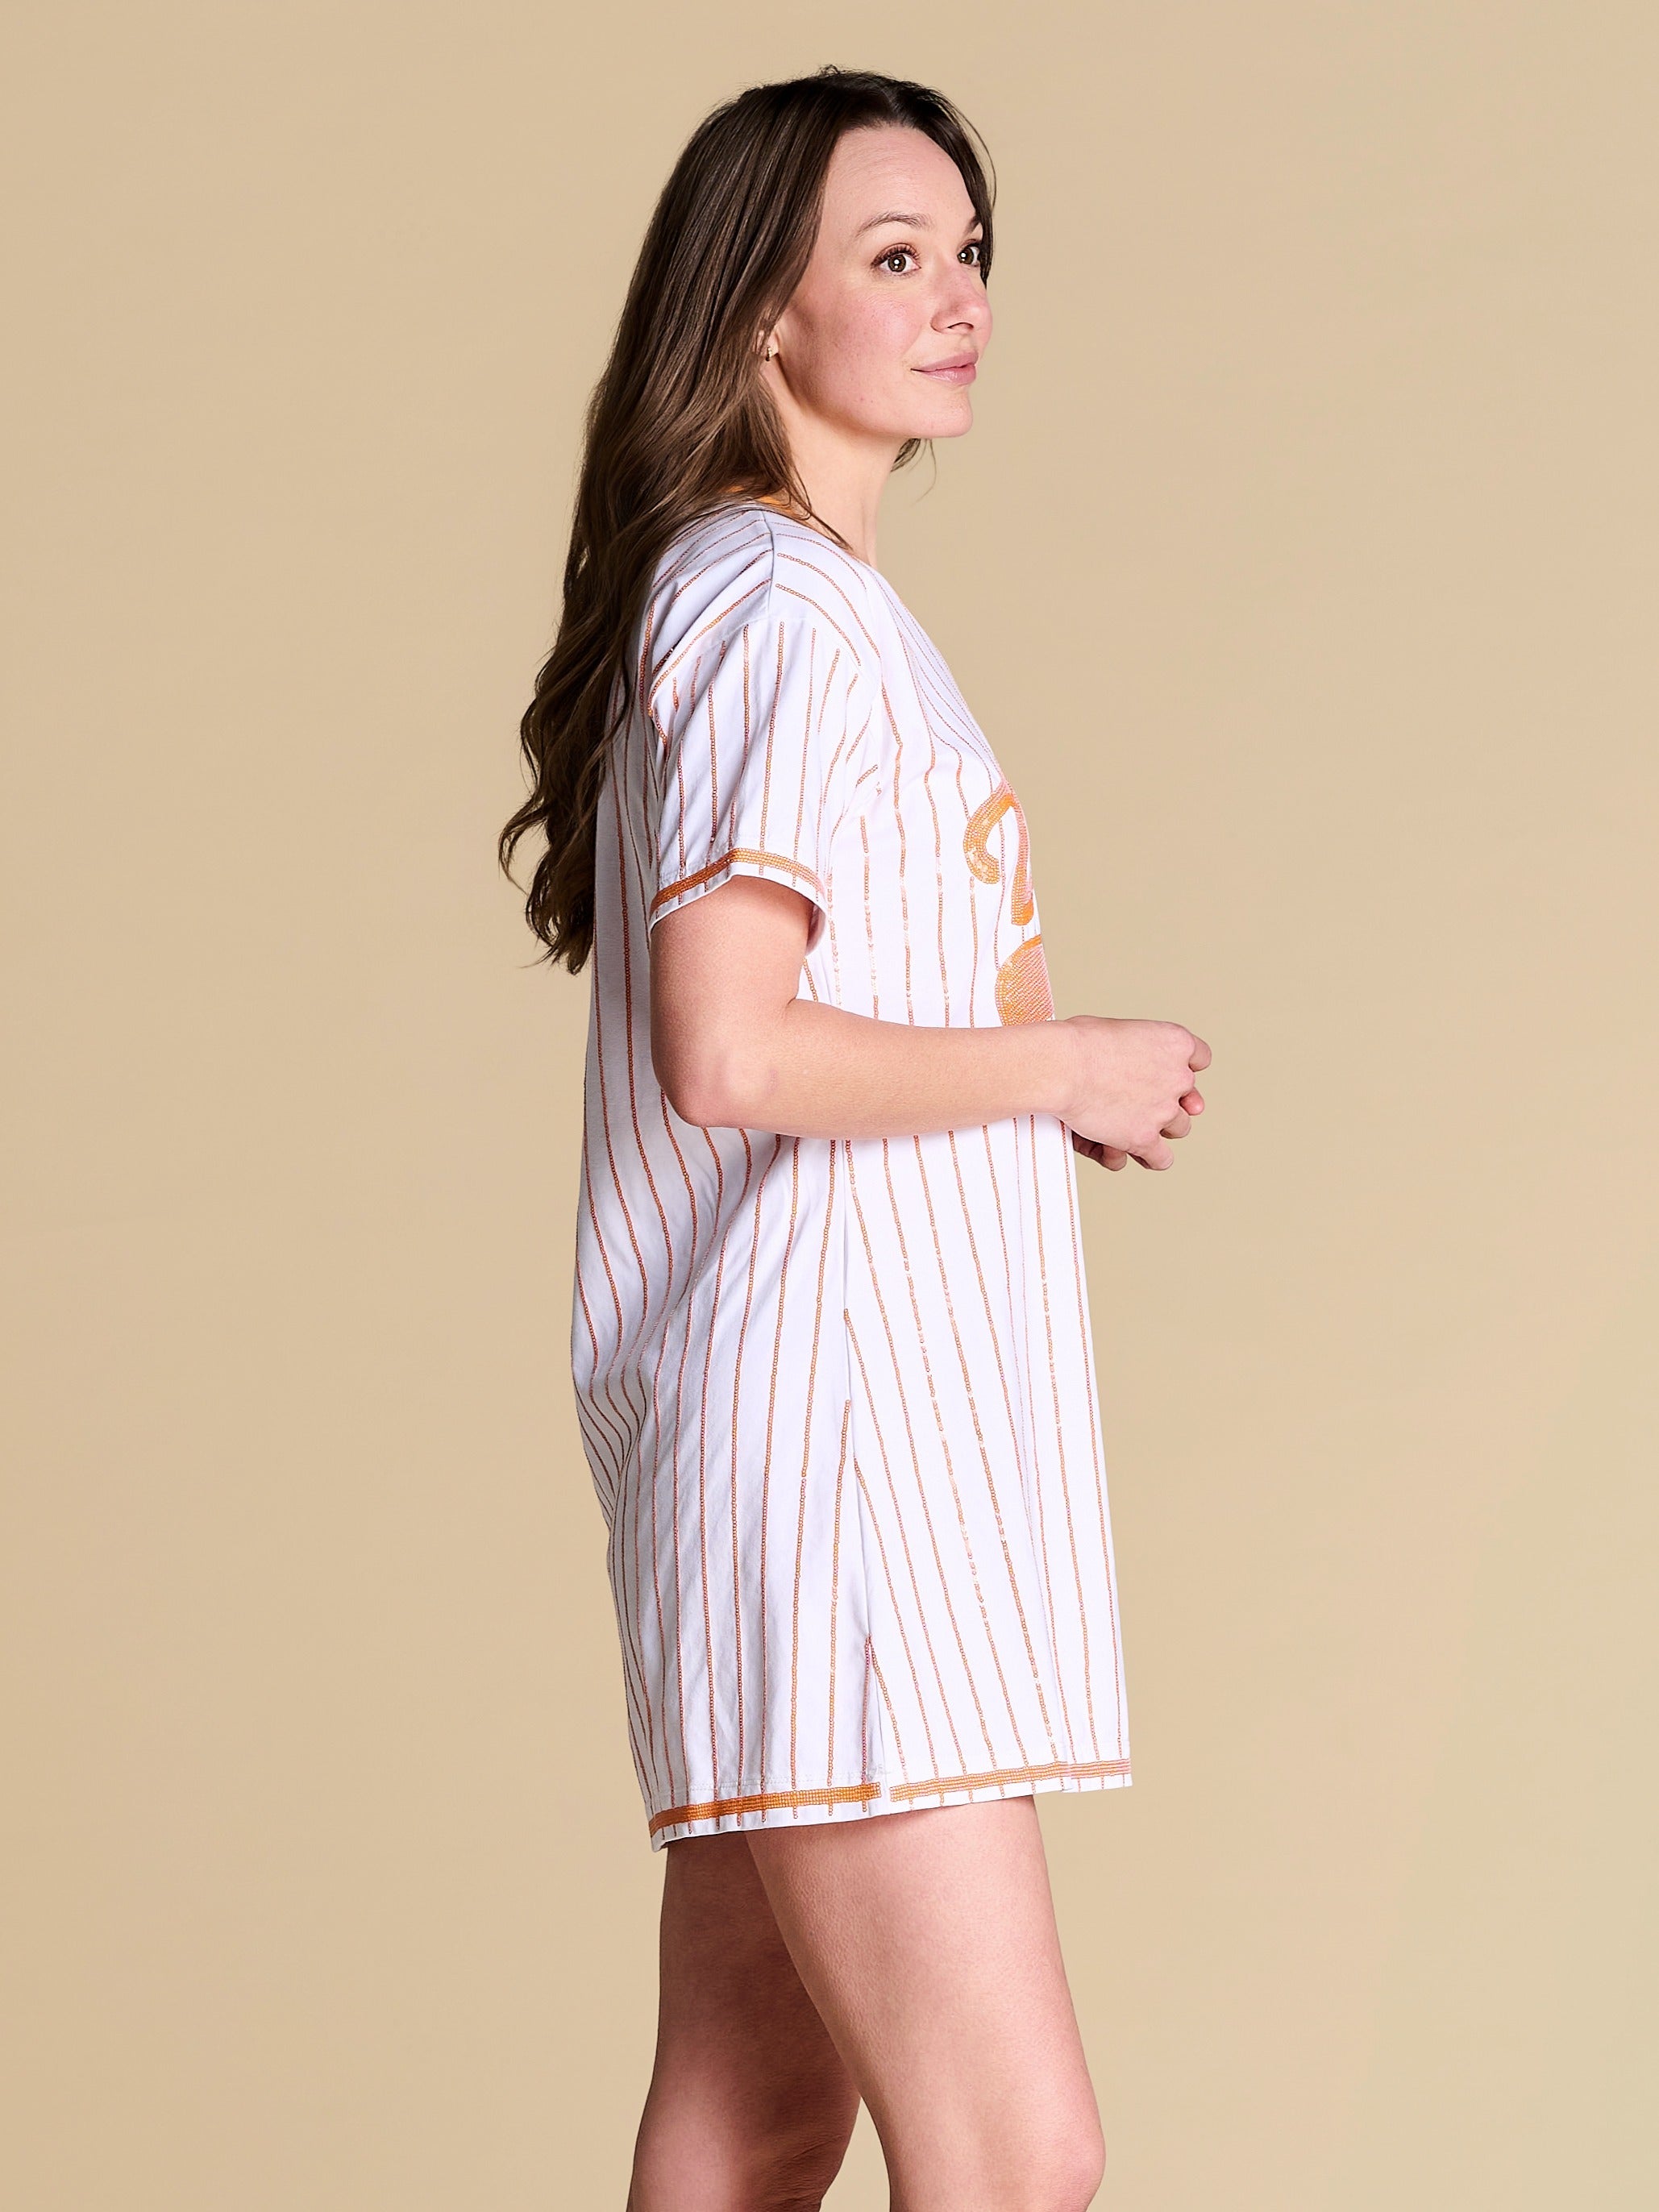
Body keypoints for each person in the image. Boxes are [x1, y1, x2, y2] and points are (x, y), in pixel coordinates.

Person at [500, 64, 1210, 2212]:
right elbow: (730, 1050)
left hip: (786, 1471)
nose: (959, 294)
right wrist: (1062, 1068)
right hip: (849, 1472)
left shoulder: (763, 602)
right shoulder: (776, 608)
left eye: (969, 251)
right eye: (894, 256)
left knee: (749, 2130)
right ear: (755, 313)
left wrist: (1022, 1072)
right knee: (1014, 2156)